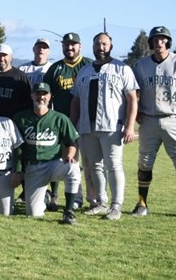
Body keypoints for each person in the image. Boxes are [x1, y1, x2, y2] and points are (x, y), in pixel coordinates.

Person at [131, 26, 176, 220]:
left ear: (167, 41)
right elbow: (132, 90)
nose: (158, 42)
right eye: (155, 39)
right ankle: (142, 203)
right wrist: (135, 110)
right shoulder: (141, 65)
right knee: (144, 163)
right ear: (151, 42)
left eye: (162, 39)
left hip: (175, 119)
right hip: (149, 120)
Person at [70, 32, 138, 220]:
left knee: (114, 166)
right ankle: (101, 202)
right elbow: (75, 100)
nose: (101, 47)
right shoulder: (84, 71)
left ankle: (117, 206)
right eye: (98, 44)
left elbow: (132, 99)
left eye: (104, 44)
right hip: (86, 127)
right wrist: (72, 126)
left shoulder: (122, 68)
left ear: (111, 46)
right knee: (95, 167)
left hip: (112, 127)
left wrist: (130, 126)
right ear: (92, 47)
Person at [11, 82, 81, 224]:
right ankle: (46, 198)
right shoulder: (20, 118)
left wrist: (69, 155)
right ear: (32, 96)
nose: (41, 97)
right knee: (33, 213)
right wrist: (17, 171)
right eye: (38, 93)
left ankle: (68, 211)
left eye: (44, 94)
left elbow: (72, 142)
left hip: (53, 164)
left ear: (50, 97)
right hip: (32, 168)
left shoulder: (60, 118)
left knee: (73, 168)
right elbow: (17, 148)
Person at [43, 32, 91, 211]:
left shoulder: (88, 65)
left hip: (87, 121)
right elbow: (46, 96)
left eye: (73, 44)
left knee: (90, 162)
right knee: (68, 160)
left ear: (80, 46)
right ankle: (73, 198)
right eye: (66, 44)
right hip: (63, 123)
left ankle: (95, 199)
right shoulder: (55, 68)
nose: (70, 48)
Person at [0, 43, 32, 119]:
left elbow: (30, 101)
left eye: (4, 55)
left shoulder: (20, 76)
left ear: (11, 57)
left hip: (13, 122)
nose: (1, 58)